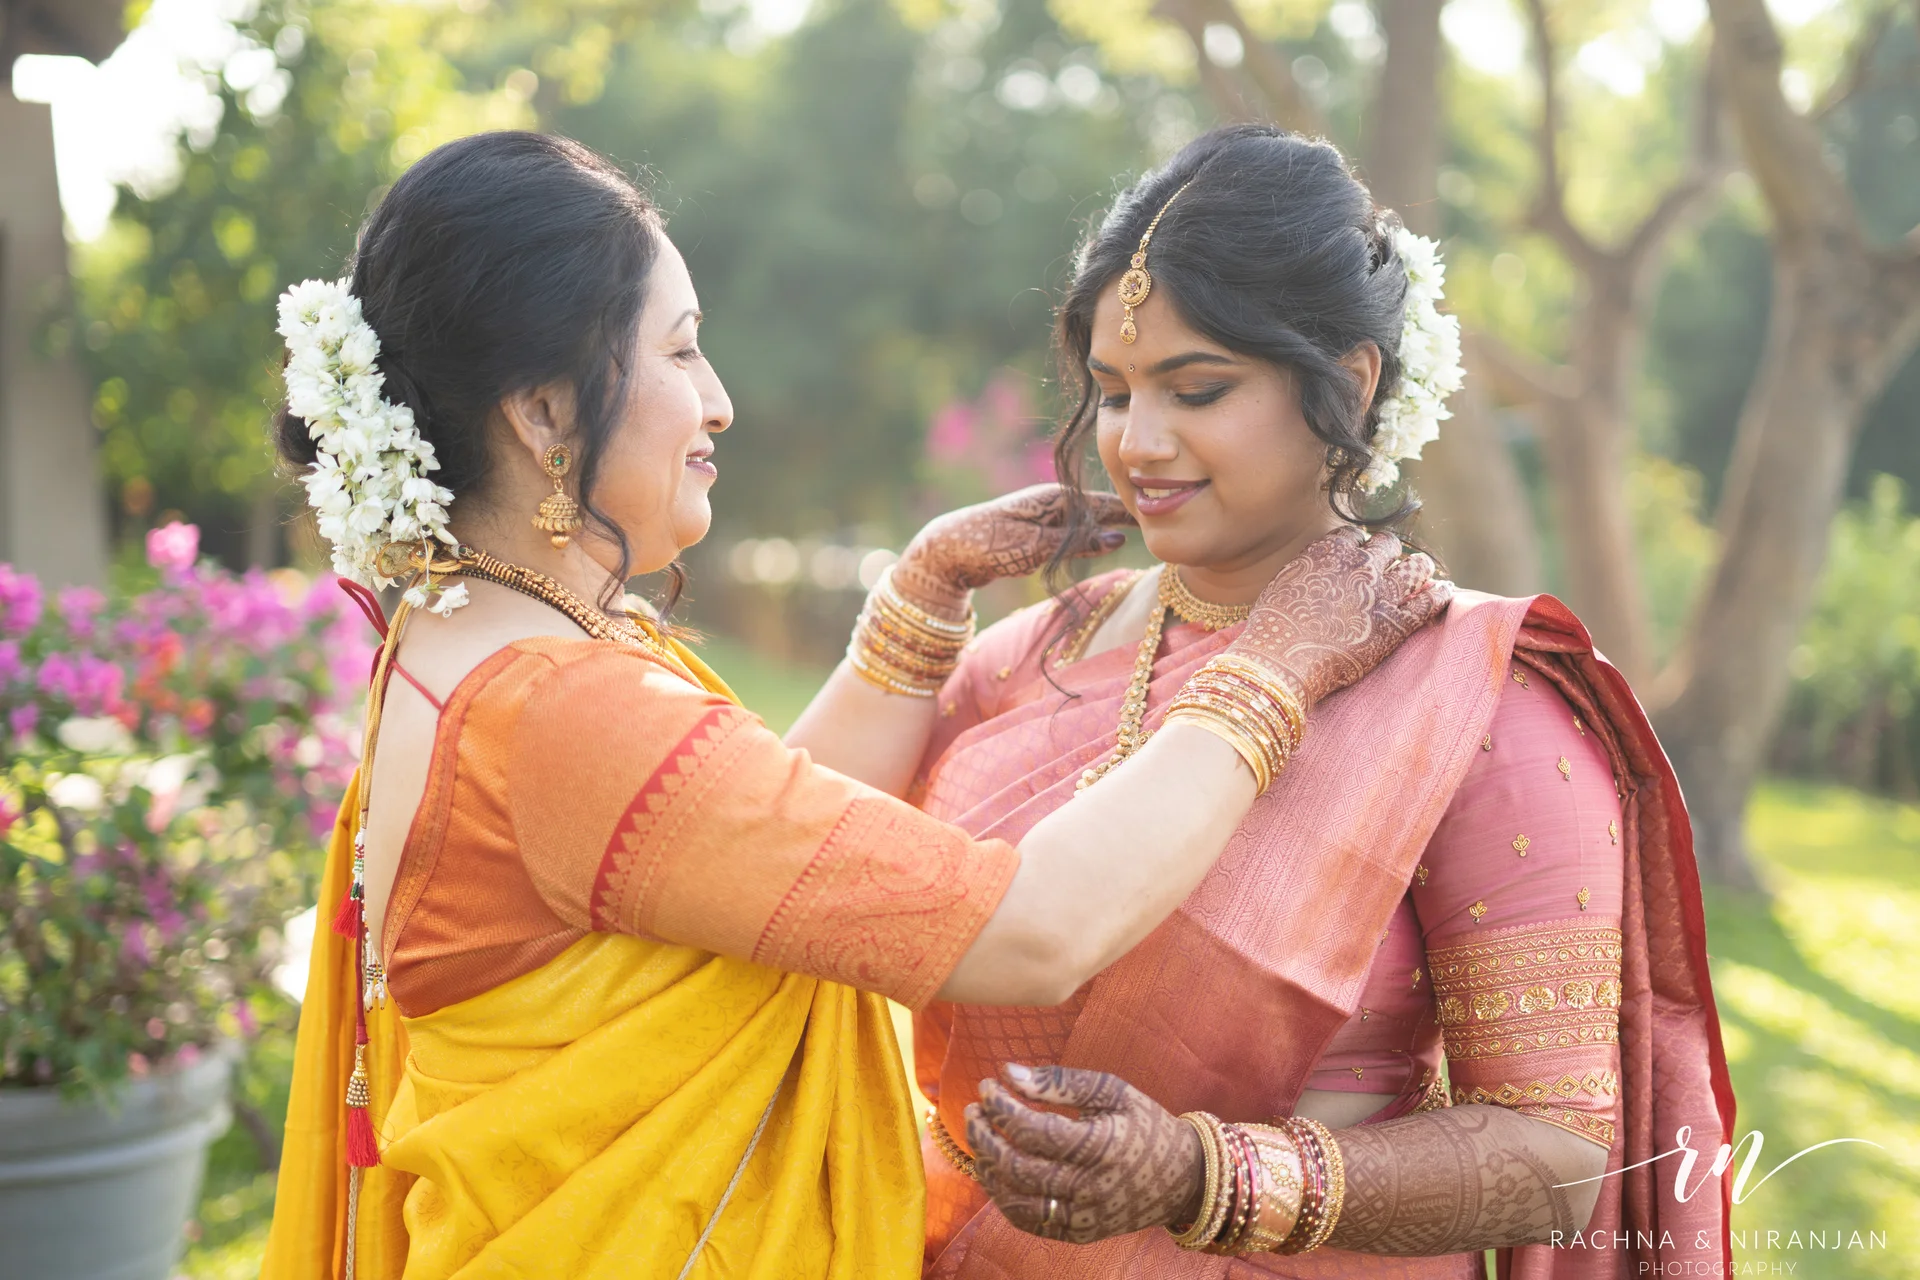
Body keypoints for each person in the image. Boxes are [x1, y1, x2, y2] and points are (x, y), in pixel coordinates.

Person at [257, 130, 1448, 1280]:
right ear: (546, 413)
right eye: (680, 352)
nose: (717, 402)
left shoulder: (452, 645)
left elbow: (731, 861)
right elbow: (1033, 928)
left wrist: (918, 598)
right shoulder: (557, 708)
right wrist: (1275, 666)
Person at [901, 125, 1735, 1278]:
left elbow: (1554, 1154)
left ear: (1347, 382)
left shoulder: (1478, 701)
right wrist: (915, 600)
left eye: (1198, 389)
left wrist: (1203, 1176)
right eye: (1113, 392)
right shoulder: (1042, 648)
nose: (1137, 443)